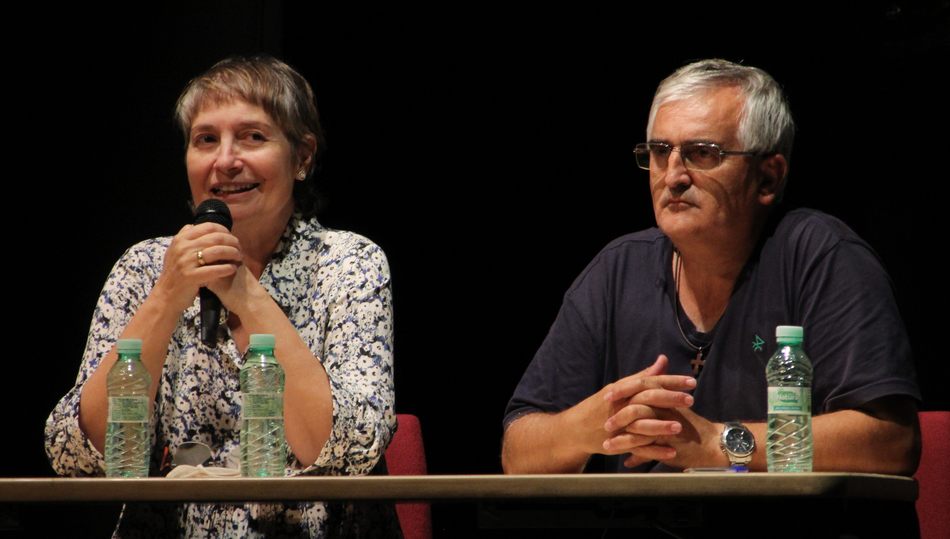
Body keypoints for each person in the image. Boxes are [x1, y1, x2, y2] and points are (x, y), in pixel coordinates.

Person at [502, 59, 920, 475]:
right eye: (661, 152)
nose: (673, 177)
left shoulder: (823, 257)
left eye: (702, 154)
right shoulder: (616, 271)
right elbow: (518, 453)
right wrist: (592, 424)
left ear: (768, 178)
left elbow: (891, 442)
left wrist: (717, 443)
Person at [45, 55, 399, 537]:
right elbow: (77, 453)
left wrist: (246, 296)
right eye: (206, 139)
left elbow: (351, 448)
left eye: (253, 137)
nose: (225, 160)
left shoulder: (349, 262)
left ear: (302, 157)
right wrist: (167, 297)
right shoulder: (146, 267)